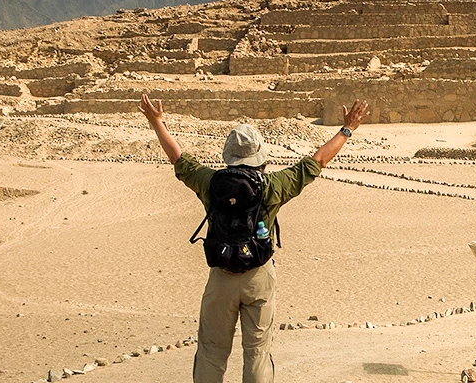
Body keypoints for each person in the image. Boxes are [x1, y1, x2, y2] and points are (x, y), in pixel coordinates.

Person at [140, 93, 369, 383]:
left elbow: (179, 159)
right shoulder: (273, 186)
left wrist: (156, 122)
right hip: (258, 275)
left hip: (221, 275)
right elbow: (316, 162)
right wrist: (347, 129)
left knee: (212, 351)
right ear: (260, 156)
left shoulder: (211, 183)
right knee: (258, 352)